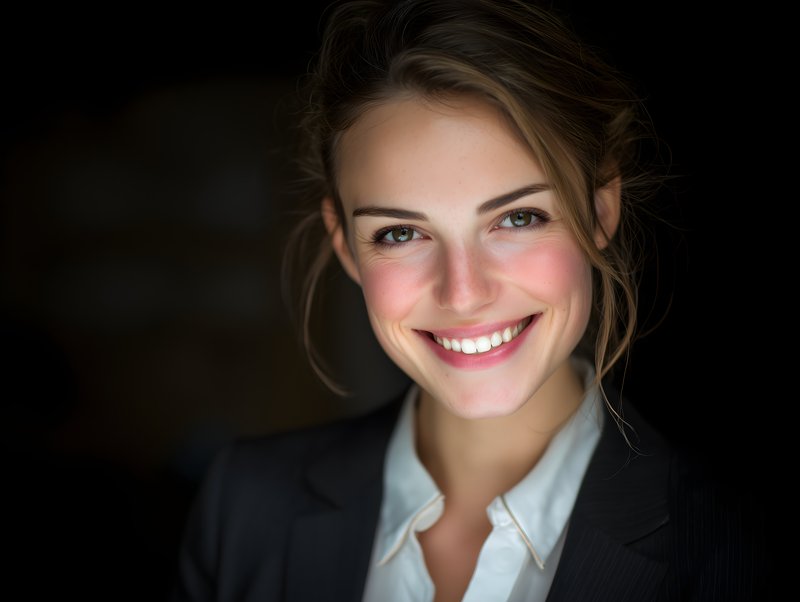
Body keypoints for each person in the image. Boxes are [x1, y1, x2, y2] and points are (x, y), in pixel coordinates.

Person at [170, 1, 769, 600]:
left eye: (519, 218)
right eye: (400, 233)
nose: (463, 293)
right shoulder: (244, 505)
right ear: (346, 246)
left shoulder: (734, 545)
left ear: (599, 212)